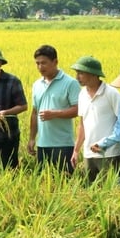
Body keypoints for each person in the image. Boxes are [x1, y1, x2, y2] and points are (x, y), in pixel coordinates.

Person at [27, 45, 81, 174]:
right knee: (44, 182)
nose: (40, 67)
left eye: (44, 63)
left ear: (55, 62)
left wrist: (55, 114)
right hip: (42, 144)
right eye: (37, 63)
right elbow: (34, 113)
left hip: (63, 144)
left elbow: (78, 110)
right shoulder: (37, 84)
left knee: (64, 181)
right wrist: (32, 138)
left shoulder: (70, 83)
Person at [69, 56, 120, 183]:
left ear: (94, 74)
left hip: (109, 154)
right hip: (89, 154)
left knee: (111, 191)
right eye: (77, 73)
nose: (77, 77)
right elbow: (82, 124)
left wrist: (108, 143)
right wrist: (76, 150)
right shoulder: (82, 94)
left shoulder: (111, 93)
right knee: (91, 191)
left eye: (81, 73)